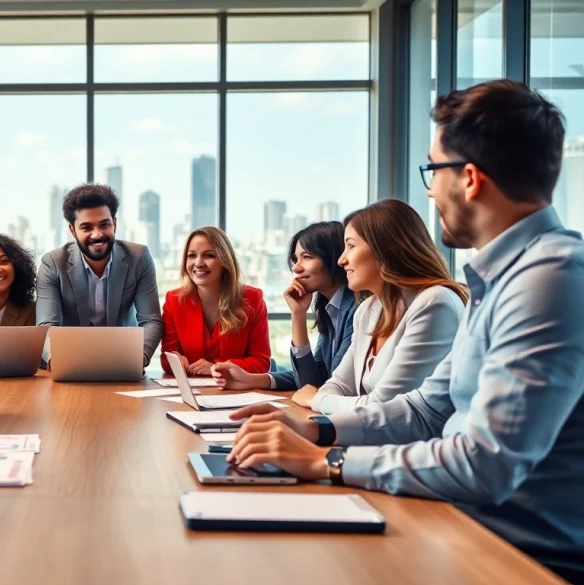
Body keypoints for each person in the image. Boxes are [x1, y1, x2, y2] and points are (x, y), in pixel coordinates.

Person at [223, 80, 584, 583]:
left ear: (471, 179)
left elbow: (485, 463)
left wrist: (329, 463)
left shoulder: (550, 278)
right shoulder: (498, 277)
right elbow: (428, 408)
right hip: (458, 524)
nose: (431, 190)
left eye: (433, 171)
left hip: (513, 557)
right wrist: (315, 429)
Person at [218, 200, 467, 414]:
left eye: (350, 246)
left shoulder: (433, 303)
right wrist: (297, 315)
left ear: (385, 249)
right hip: (367, 437)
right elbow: (331, 382)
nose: (342, 259)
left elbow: (383, 406)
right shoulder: (368, 310)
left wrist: (317, 400)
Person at [212, 222, 355, 390]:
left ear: (334, 257)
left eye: (307, 257)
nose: (297, 268)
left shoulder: (356, 309)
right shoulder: (331, 308)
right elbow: (313, 378)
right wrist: (298, 314)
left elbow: (332, 385)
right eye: (295, 259)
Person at [36, 184, 163, 366]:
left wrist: (138, 357)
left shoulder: (139, 257)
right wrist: (59, 361)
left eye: (104, 225)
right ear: (73, 230)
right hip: (69, 362)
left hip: (122, 360)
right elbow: (46, 326)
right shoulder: (53, 264)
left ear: (115, 224)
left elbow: (151, 321)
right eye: (86, 227)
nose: (97, 234)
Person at [160, 227, 270, 376]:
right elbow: (167, 359)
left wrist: (217, 367)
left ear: (225, 261)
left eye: (209, 255)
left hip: (236, 393)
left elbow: (261, 362)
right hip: (192, 392)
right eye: (191, 255)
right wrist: (176, 362)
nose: (198, 263)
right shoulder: (174, 301)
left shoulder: (252, 299)